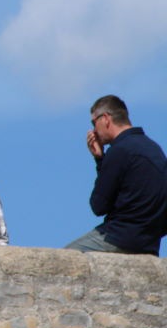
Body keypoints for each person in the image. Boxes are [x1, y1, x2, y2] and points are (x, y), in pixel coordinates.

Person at [65, 95, 167, 256]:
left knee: (65, 258)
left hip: (119, 237)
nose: (93, 131)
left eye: (94, 123)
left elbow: (99, 206)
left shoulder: (120, 150)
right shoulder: (155, 149)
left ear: (105, 118)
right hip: (149, 244)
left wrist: (100, 160)